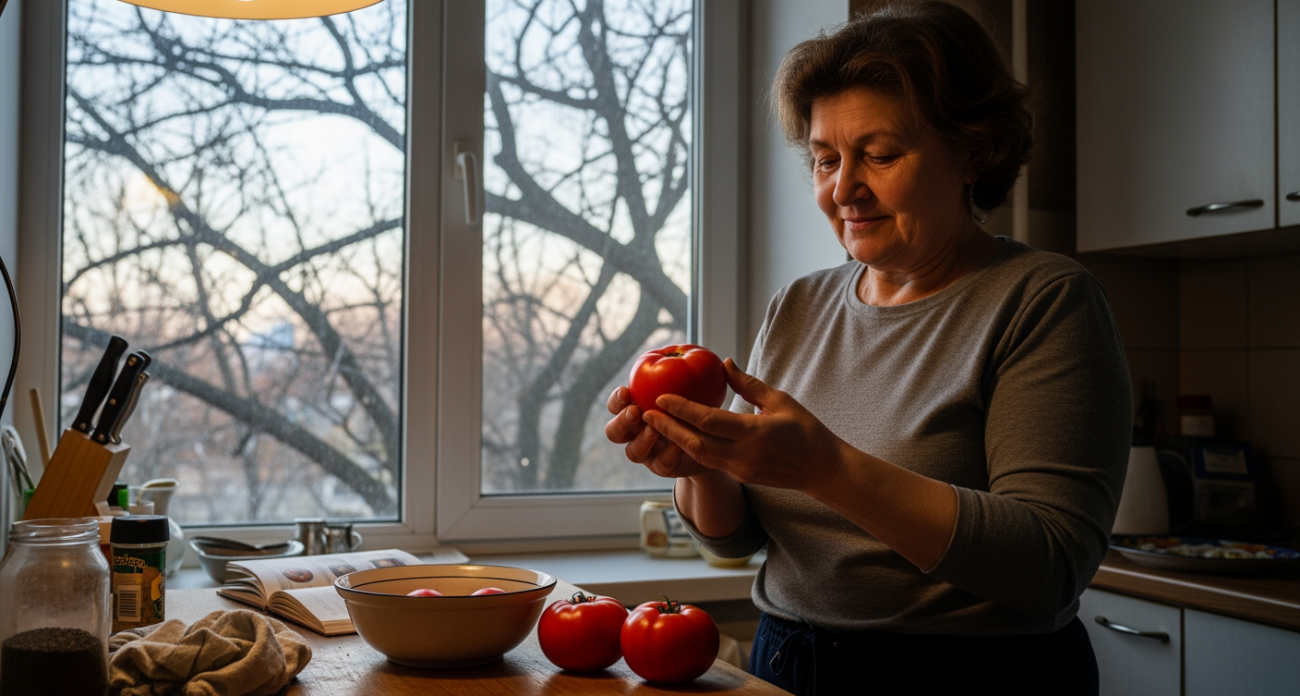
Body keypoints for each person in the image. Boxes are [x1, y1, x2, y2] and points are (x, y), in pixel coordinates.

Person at [604, 3, 1133, 695]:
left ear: (973, 152)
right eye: (826, 159)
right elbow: (736, 539)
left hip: (973, 678)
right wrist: (701, 468)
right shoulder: (798, 305)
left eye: (879, 155)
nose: (843, 189)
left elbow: (1051, 564)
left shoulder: (1044, 300)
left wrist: (827, 468)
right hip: (787, 661)